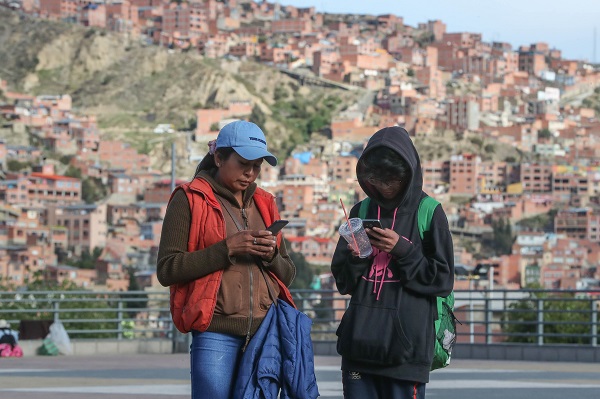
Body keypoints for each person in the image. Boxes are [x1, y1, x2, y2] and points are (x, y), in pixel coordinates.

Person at [156, 120, 297, 399]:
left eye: (257, 166)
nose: (250, 173)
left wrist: (271, 256)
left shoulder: (265, 203)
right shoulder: (189, 199)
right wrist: (226, 249)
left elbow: (288, 274)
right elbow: (167, 269)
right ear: (219, 157)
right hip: (215, 332)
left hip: (264, 333)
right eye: (244, 163)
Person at [330, 126, 455, 399]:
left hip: (405, 354)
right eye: (378, 180)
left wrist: (403, 250)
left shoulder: (429, 213)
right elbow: (343, 282)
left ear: (408, 174)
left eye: (392, 180)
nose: (385, 188)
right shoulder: (360, 211)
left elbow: (442, 280)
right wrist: (357, 258)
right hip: (359, 348)